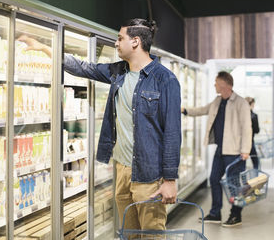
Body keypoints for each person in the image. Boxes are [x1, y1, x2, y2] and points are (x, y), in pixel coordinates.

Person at [18, 18, 181, 231]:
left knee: (151, 234)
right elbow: (84, 68)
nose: (116, 42)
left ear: (135, 42)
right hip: (122, 169)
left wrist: (170, 179)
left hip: (149, 174)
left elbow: (172, 132)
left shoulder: (165, 79)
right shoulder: (118, 72)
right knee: (128, 233)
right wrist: (45, 48)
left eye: (120, 38)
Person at [181, 71, 251, 227]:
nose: (214, 85)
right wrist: (184, 110)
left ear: (224, 84)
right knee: (214, 179)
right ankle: (215, 213)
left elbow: (247, 128)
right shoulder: (217, 101)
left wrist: (245, 150)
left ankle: (236, 215)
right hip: (221, 149)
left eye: (216, 82)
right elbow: (201, 110)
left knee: (234, 184)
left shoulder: (241, 103)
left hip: (235, 152)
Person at [245, 97, 260, 169]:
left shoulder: (240, 115)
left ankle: (242, 179)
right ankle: (256, 178)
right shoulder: (254, 116)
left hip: (240, 143)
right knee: (256, 161)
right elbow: (257, 130)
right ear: (251, 105)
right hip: (250, 142)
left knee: (241, 163)